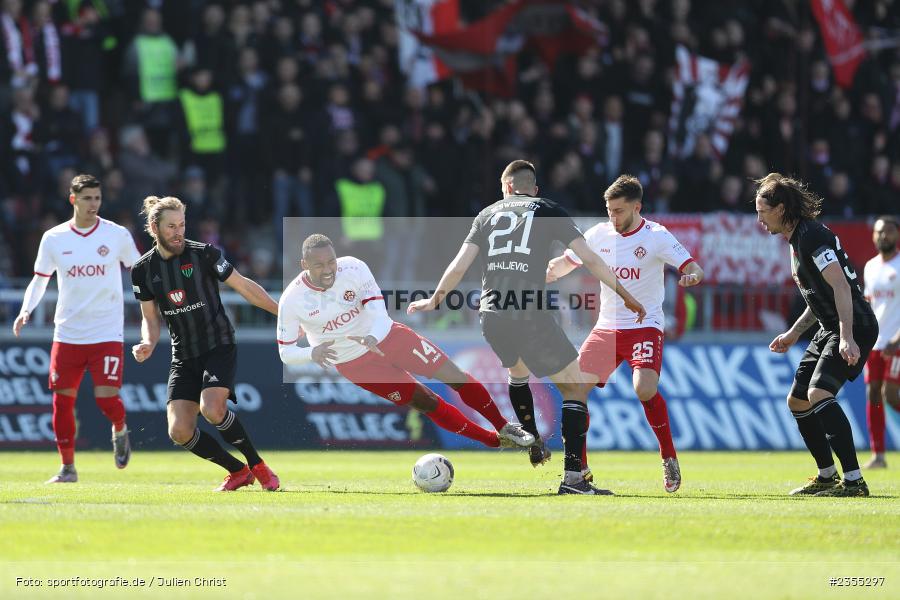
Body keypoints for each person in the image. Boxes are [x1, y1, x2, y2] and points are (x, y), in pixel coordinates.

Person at [409, 160, 646, 495]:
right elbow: (590, 259)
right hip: (528, 313)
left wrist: (434, 300)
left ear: (505, 187)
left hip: (490, 313)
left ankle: (532, 437)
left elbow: (459, 264)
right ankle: (574, 479)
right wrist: (626, 295)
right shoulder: (549, 209)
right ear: (534, 189)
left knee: (517, 373)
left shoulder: (487, 214)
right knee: (575, 389)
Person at [277, 234, 535, 450]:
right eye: (319, 265)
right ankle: (492, 441)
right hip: (354, 364)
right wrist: (312, 353)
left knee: (454, 375)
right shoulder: (292, 300)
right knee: (425, 402)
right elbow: (286, 353)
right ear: (304, 265)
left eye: (331, 261)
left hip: (389, 337)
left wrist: (372, 337)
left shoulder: (353, 267)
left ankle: (504, 426)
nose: (328, 269)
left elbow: (379, 313)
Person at [545, 174, 704, 493]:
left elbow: (692, 266)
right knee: (575, 390)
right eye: (609, 210)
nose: (612, 217)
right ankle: (580, 468)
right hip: (607, 328)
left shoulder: (656, 236)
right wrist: (537, 274)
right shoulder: (598, 234)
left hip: (644, 325)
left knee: (644, 388)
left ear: (637, 207)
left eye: (618, 210)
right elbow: (564, 264)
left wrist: (691, 277)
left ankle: (668, 456)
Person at [130, 196, 281, 492]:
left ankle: (258, 466)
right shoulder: (142, 270)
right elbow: (150, 317)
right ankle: (237, 471)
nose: (178, 232)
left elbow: (245, 286)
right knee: (179, 431)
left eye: (182, 225)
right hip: (183, 355)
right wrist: (147, 342)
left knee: (212, 409)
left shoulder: (205, 254)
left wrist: (283, 314)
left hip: (218, 345)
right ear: (154, 227)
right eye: (171, 226)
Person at [13, 173, 140, 483]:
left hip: (107, 331)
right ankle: (68, 467)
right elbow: (40, 279)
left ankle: (120, 428)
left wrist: (155, 302)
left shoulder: (116, 235)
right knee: (61, 401)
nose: (93, 204)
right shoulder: (54, 238)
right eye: (87, 198)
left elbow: (140, 268)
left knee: (106, 400)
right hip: (68, 332)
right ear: (73, 199)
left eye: (97, 198)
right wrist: (26, 309)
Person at [757, 173, 878, 497]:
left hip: (853, 323)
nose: (760, 219)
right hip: (830, 325)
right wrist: (793, 333)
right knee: (797, 401)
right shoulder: (798, 238)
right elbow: (818, 296)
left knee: (819, 394)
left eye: (763, 211)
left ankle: (854, 481)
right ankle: (827, 475)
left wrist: (847, 336)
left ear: (780, 209)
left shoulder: (810, 237)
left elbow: (840, 285)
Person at [862, 215, 900, 468]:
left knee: (891, 395)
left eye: (888, 231)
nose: (883, 236)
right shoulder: (870, 267)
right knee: (873, 393)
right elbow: (869, 304)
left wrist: (897, 339)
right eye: (879, 232)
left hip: (896, 342)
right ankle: (879, 456)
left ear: (897, 235)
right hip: (874, 343)